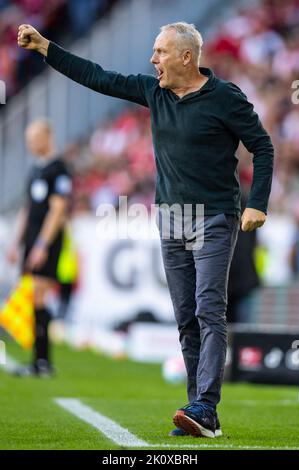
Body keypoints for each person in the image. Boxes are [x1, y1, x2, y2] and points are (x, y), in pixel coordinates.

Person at [17, 22, 273, 435]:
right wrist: (46, 46)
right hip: (170, 218)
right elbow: (98, 77)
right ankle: (199, 409)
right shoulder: (153, 91)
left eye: (160, 52)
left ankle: (204, 405)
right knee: (187, 317)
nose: (153, 60)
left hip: (215, 216)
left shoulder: (225, 97)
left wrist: (257, 202)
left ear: (187, 57)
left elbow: (262, 145)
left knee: (209, 309)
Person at [7, 119, 72, 377]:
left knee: (40, 295)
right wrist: (16, 242)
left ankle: (43, 361)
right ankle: (39, 360)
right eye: (28, 139)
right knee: (34, 295)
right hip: (32, 242)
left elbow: (58, 210)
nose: (30, 144)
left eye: (35, 138)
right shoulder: (36, 168)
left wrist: (42, 244)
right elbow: (27, 209)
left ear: (48, 136)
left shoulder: (59, 169)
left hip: (47, 242)